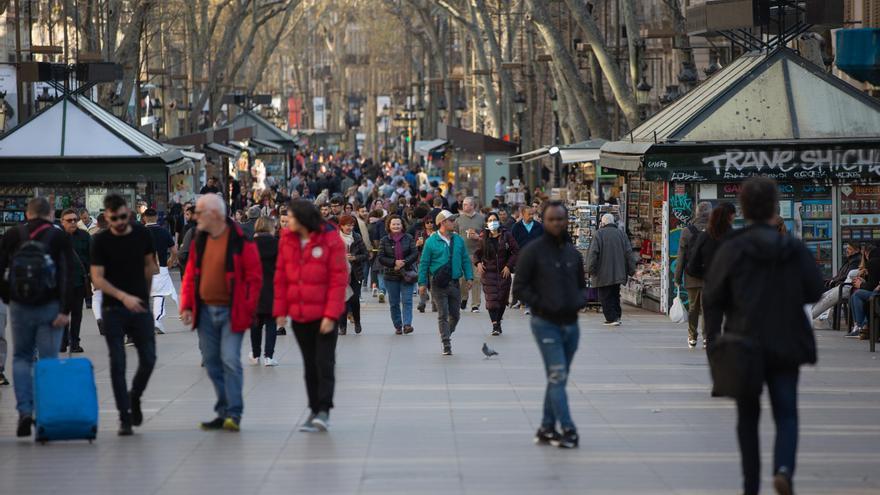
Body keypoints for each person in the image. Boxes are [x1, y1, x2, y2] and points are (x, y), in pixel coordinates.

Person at [703, 177, 824, 495]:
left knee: (748, 418)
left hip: (744, 343)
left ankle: (751, 486)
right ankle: (783, 469)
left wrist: (713, 341)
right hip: (786, 342)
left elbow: (712, 297)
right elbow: (815, 288)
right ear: (774, 206)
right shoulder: (791, 247)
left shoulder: (732, 247)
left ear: (742, 208)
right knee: (786, 413)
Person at [180, 194, 262, 432]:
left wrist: (247, 308)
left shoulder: (240, 241)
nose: (195, 217)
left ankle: (233, 414)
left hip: (231, 310)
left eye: (199, 213)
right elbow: (190, 276)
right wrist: (186, 305)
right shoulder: (199, 240)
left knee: (229, 359)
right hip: (205, 310)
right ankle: (224, 409)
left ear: (213, 214)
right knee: (213, 362)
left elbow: (254, 279)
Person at [512, 201, 588, 449]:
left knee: (558, 378)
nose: (557, 223)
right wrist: (541, 305)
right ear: (543, 221)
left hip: (571, 325)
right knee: (557, 375)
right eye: (552, 219)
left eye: (561, 219)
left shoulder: (572, 254)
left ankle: (546, 427)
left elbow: (581, 286)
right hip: (545, 323)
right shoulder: (532, 252)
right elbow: (520, 288)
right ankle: (568, 429)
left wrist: (578, 301)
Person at [0, 197, 74, 437]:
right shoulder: (58, 236)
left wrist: (9, 298)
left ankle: (24, 412)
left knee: (21, 357)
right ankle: (46, 415)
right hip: (50, 306)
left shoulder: (12, 234)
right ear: (50, 214)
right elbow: (66, 273)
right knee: (48, 359)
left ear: (27, 213)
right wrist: (65, 309)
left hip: (20, 306)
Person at [274, 200, 348, 432]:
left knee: (324, 362)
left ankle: (324, 410)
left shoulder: (330, 238)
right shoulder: (287, 240)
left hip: (325, 315)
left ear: (304, 219)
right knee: (309, 364)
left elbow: (338, 279)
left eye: (292, 217)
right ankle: (314, 409)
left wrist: (330, 314)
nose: (288, 221)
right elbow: (281, 276)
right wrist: (280, 311)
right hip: (301, 314)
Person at [89, 194, 158, 436]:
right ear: (106, 217)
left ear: (128, 213)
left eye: (122, 217)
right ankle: (124, 416)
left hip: (140, 306)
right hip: (113, 309)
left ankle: (134, 396)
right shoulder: (101, 241)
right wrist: (122, 297)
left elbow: (151, 265)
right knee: (118, 362)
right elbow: (97, 278)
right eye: (112, 218)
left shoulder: (141, 234)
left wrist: (144, 295)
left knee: (149, 358)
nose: (118, 222)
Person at [418, 210, 473, 356]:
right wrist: (422, 283)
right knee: (443, 314)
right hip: (438, 284)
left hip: (455, 283)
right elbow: (424, 263)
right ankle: (446, 343)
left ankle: (446, 333)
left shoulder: (458, 240)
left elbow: (465, 259)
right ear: (443, 223)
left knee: (455, 315)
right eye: (451, 220)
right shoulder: (431, 241)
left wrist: (469, 277)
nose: (454, 223)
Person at [687, 202, 736, 347]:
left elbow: (693, 261)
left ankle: (710, 340)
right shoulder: (734, 236)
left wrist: (702, 274)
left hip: (709, 282)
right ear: (730, 217)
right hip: (727, 284)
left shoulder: (705, 236)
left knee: (710, 313)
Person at [585, 214, 635, 326]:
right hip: (618, 273)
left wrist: (590, 269)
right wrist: (631, 270)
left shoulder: (599, 234)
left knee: (605, 296)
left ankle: (611, 318)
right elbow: (629, 254)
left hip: (602, 273)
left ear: (602, 223)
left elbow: (593, 253)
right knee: (615, 294)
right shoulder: (622, 234)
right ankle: (616, 316)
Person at [674, 201, 712, 348]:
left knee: (693, 307)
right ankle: (707, 338)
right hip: (710, 276)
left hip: (691, 276)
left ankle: (692, 337)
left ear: (696, 213)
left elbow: (681, 256)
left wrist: (677, 277)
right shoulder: (715, 229)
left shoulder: (687, 231)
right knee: (706, 308)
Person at [474, 212, 519, 336]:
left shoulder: (506, 235)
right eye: (490, 220)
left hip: (503, 273)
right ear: (487, 223)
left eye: (494, 219)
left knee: (502, 300)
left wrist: (508, 266)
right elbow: (477, 253)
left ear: (498, 222)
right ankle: (495, 325)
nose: (492, 222)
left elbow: (516, 251)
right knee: (491, 301)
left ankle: (498, 321)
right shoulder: (484, 237)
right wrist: (478, 263)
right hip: (488, 273)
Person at [379, 214, 419, 335]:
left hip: (407, 274)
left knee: (407, 300)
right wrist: (393, 263)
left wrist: (404, 262)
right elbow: (380, 257)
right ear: (389, 226)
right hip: (391, 275)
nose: (396, 226)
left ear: (402, 225)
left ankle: (407, 324)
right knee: (394, 302)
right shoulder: (384, 240)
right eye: (393, 224)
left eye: (398, 224)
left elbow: (414, 253)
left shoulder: (409, 238)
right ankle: (398, 325)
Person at [143, 209, 179, 335]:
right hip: (160, 267)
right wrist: (171, 261)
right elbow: (174, 250)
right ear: (157, 217)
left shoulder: (140, 232)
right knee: (159, 294)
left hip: (142, 268)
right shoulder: (163, 232)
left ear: (144, 218)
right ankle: (156, 321)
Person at [250, 217, 279, 366]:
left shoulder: (250, 245)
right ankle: (269, 356)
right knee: (271, 323)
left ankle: (255, 355)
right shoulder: (277, 244)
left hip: (254, 289)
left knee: (255, 323)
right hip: (272, 288)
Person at [60, 208, 90, 353]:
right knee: (62, 313)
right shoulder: (56, 237)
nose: (73, 223)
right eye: (69, 220)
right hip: (60, 282)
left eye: (74, 220)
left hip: (79, 282)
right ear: (62, 222)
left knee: (77, 314)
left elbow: (92, 257)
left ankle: (74, 343)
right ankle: (62, 341)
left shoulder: (84, 236)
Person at [338, 215, 368, 335]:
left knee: (354, 299)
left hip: (355, 274)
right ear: (341, 226)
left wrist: (355, 257)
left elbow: (365, 254)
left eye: (352, 225)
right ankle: (342, 326)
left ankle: (357, 321)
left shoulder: (357, 237)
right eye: (347, 225)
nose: (350, 227)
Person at [510, 205, 544, 311]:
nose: (531, 216)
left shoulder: (539, 227)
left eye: (532, 214)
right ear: (522, 214)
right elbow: (512, 243)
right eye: (529, 214)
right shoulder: (516, 227)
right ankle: (524, 301)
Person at [455, 197, 485, 312]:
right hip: (463, 254)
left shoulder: (481, 219)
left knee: (477, 278)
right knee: (462, 278)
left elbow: (485, 235)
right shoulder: (458, 219)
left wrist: (477, 237)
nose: (464, 206)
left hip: (477, 254)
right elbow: (455, 234)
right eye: (463, 204)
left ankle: (475, 304)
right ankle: (464, 298)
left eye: (466, 204)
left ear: (472, 206)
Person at [847, 242, 880, 339]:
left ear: (866, 253)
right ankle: (861, 325)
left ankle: (861, 326)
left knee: (857, 294)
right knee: (856, 294)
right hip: (875, 292)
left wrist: (860, 284)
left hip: (876, 294)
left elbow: (872, 286)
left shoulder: (872, 262)